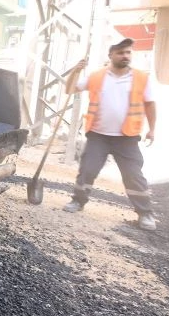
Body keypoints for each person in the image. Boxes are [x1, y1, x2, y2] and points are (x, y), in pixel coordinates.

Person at [63, 38, 158, 230]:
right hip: (98, 135)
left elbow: (150, 104)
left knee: (133, 175)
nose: (125, 56)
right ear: (111, 55)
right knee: (87, 169)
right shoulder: (96, 76)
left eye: (128, 52)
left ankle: (145, 214)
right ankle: (78, 201)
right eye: (121, 52)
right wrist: (75, 71)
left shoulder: (140, 78)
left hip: (127, 137)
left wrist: (152, 129)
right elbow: (70, 89)